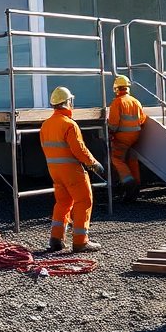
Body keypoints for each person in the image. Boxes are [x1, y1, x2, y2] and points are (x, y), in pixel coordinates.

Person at [40, 86, 105, 253]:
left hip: (55, 171)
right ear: (68, 102)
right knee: (84, 201)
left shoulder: (46, 125)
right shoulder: (69, 124)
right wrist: (93, 163)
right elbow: (79, 149)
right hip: (71, 171)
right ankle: (80, 241)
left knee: (62, 203)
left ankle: (56, 239)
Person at [107, 74, 147, 203]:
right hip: (135, 136)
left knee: (116, 159)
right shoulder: (135, 101)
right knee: (131, 158)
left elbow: (113, 123)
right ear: (128, 88)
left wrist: (110, 132)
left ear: (116, 89)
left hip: (122, 137)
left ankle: (129, 184)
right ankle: (137, 184)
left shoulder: (117, 102)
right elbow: (142, 119)